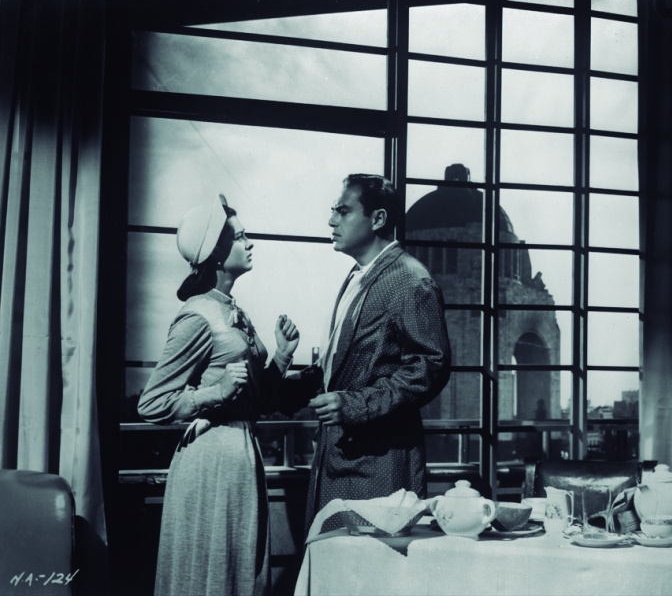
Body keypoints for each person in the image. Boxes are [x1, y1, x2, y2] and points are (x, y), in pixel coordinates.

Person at [137, 194, 299, 596]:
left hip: (240, 455)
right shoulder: (198, 315)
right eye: (240, 237)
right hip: (210, 461)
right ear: (215, 253)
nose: (249, 243)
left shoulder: (233, 312)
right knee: (212, 572)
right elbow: (152, 403)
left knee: (237, 571)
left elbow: (257, 400)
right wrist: (216, 392)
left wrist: (281, 355)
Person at [284, 174, 451, 535]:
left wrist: (354, 405)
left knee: (368, 562)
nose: (331, 221)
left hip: (378, 465)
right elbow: (344, 367)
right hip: (341, 460)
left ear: (378, 219)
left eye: (343, 212)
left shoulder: (411, 280)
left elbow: (430, 367)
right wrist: (285, 386)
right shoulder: (357, 277)